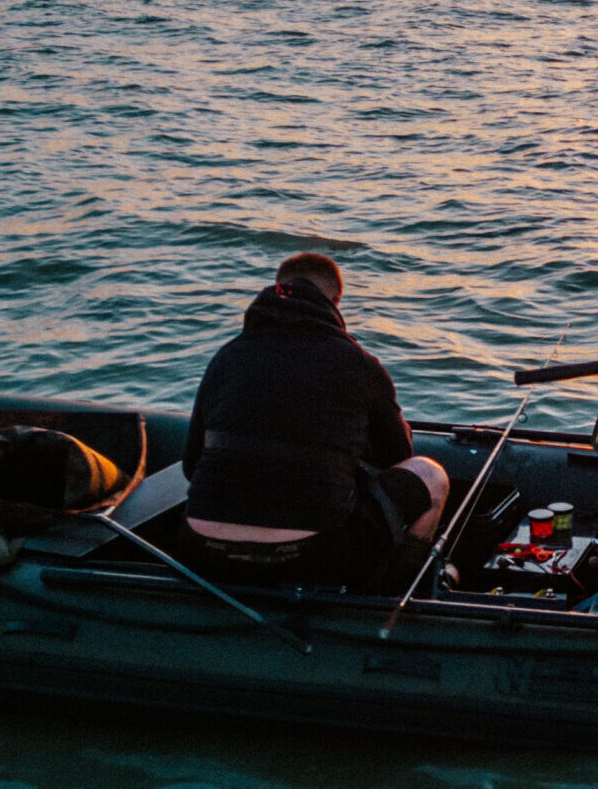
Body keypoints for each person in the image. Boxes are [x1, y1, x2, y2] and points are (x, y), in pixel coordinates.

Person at [179, 252, 447, 588]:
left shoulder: (227, 356)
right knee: (430, 475)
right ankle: (402, 588)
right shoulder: (359, 363)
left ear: (275, 289)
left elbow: (191, 465)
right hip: (309, 559)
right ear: (336, 302)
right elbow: (398, 458)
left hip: (202, 554)